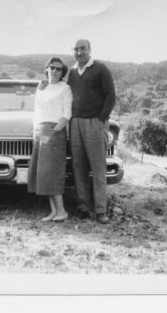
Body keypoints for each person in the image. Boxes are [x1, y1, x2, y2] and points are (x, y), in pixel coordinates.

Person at [67, 39, 116, 224]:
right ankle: (83, 207)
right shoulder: (72, 72)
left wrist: (101, 119)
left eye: (82, 49)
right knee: (78, 166)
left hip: (94, 123)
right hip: (75, 123)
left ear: (89, 49)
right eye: (76, 49)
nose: (79, 52)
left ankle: (101, 210)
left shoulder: (100, 69)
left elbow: (111, 96)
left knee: (98, 168)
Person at [27, 57, 72, 222]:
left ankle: (62, 211)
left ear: (62, 73)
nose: (54, 71)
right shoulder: (41, 87)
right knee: (44, 173)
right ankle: (54, 211)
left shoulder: (65, 88)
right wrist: (35, 132)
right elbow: (36, 112)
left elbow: (67, 114)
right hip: (40, 132)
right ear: (46, 69)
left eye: (58, 69)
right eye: (51, 67)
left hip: (55, 132)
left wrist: (54, 131)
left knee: (53, 172)